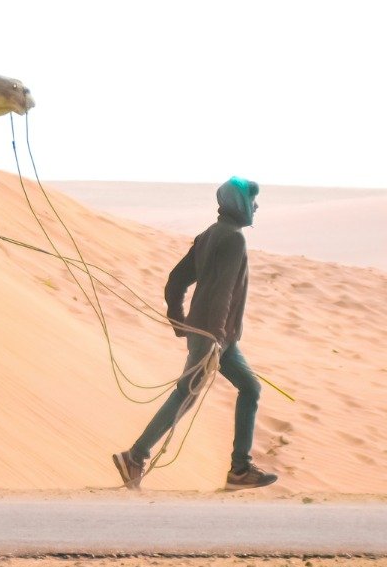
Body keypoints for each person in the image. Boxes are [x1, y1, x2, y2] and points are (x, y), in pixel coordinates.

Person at [113, 177, 278, 490]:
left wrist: (179, 320)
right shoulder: (233, 239)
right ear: (239, 204)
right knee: (185, 394)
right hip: (214, 335)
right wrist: (212, 336)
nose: (256, 207)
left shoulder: (209, 235)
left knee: (249, 388)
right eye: (252, 201)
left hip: (216, 336)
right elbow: (224, 293)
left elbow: (176, 280)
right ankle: (135, 456)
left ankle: (240, 469)